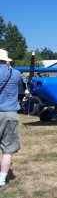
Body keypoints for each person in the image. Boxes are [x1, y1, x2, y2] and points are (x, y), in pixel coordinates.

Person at [0, 49, 22, 191]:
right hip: (9, 113)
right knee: (8, 148)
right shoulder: (15, 73)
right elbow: (21, 86)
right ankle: (1, 181)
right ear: (7, 60)